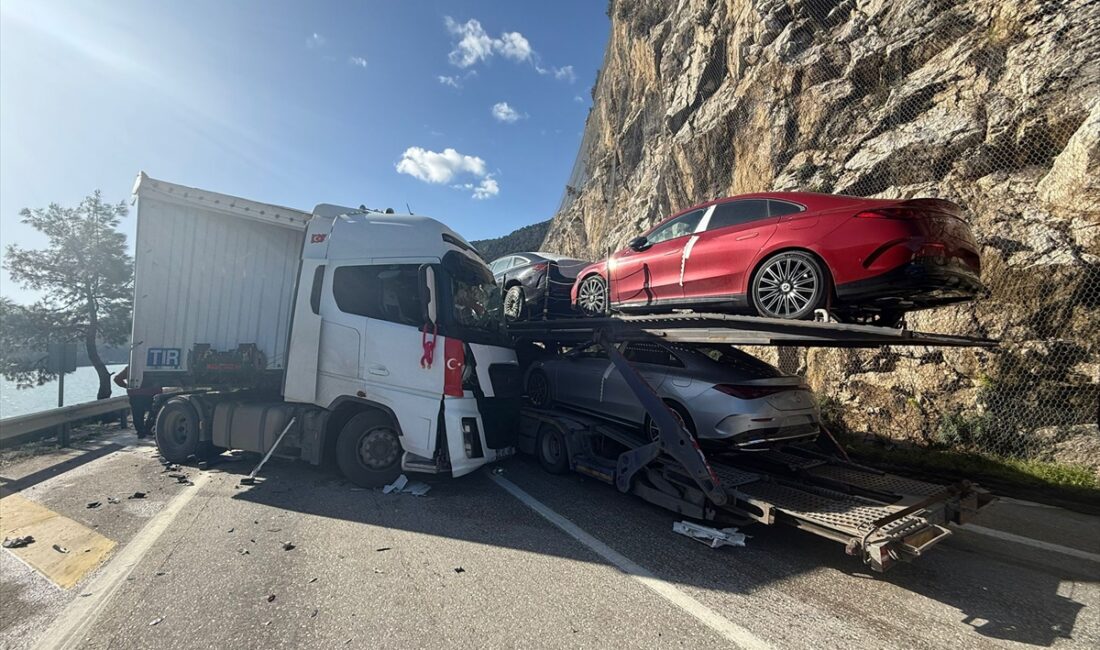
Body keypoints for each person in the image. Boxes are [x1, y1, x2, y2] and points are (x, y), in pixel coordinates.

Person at [113, 366, 161, 439]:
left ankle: (141, 432)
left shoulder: (131, 368)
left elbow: (117, 379)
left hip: (136, 394)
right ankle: (147, 428)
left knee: (137, 415)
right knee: (154, 412)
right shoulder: (154, 367)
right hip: (151, 394)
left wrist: (127, 386)